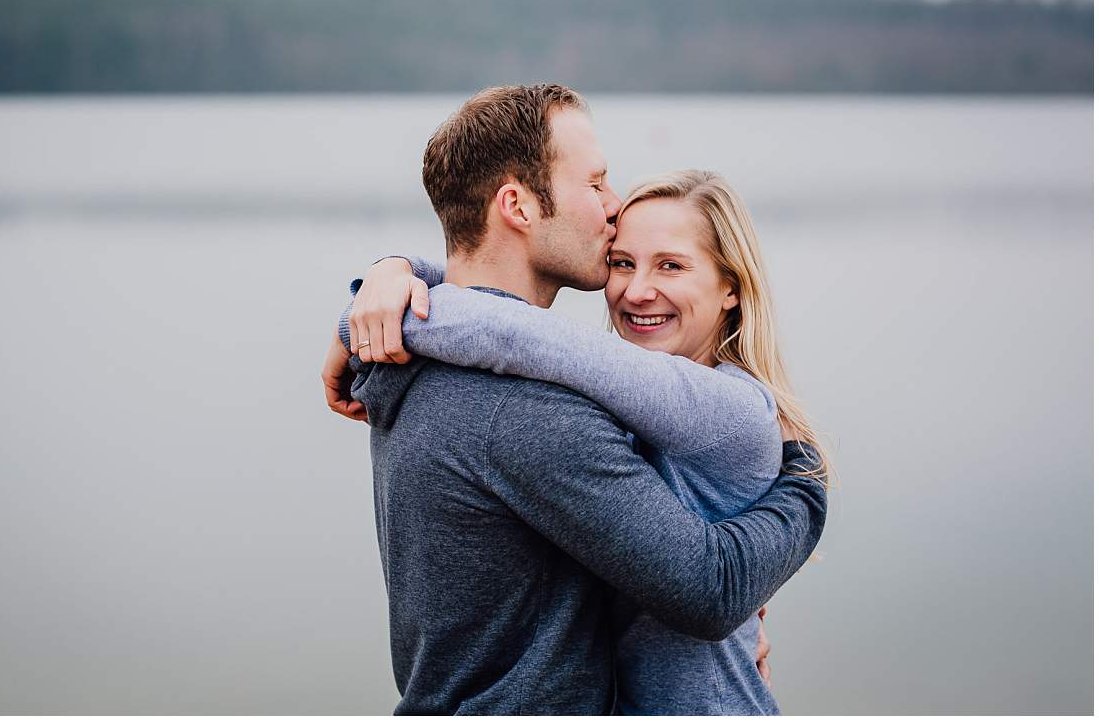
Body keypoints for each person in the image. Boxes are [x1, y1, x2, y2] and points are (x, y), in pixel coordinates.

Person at [320, 84, 826, 714]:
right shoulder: (527, 410)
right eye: (595, 183)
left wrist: (381, 291)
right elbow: (709, 590)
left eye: (671, 266)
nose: (612, 205)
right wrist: (804, 483)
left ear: (731, 289)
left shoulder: (414, 361)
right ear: (519, 206)